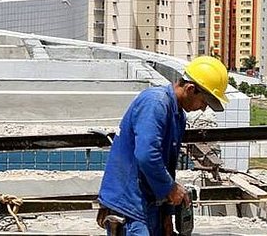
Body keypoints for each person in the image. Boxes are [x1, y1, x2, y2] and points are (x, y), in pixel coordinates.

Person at [97, 56, 229, 235]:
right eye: (204, 102)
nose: (203, 108)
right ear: (190, 89)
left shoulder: (177, 115)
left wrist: (167, 214)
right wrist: (170, 188)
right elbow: (146, 155)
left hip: (149, 205)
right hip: (130, 206)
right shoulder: (155, 103)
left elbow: (167, 165)